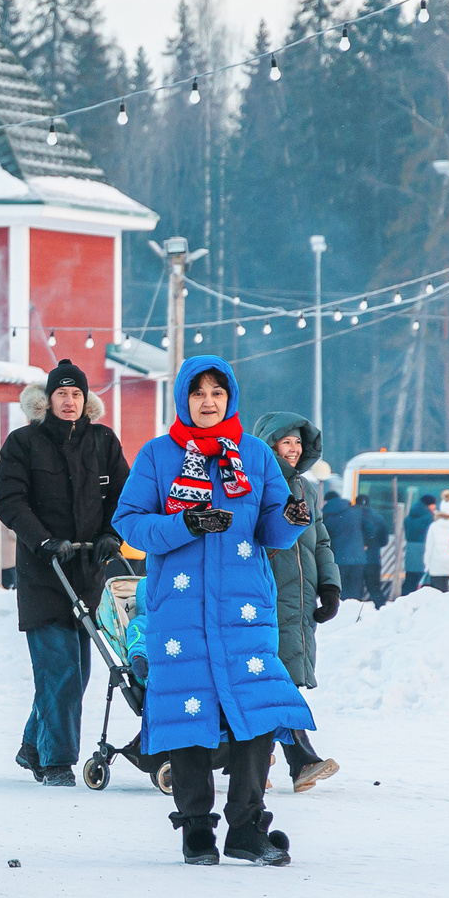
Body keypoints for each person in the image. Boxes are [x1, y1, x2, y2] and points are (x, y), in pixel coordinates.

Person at [111, 356, 313, 867]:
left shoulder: (257, 457)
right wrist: (187, 525)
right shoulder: (158, 456)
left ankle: (247, 826)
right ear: (183, 398)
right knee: (188, 714)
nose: (207, 400)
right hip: (179, 611)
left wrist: (290, 520)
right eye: (198, 392)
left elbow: (271, 529)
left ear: (230, 398)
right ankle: (196, 827)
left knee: (258, 713)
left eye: (216, 392)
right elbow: (129, 524)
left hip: (245, 609)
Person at [0, 359, 130, 787]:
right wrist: (42, 540)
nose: (69, 401)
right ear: (47, 400)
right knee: (61, 672)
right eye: (61, 394)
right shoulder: (24, 443)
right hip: (43, 573)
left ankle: (33, 746)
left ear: (86, 401)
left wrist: (111, 535)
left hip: (86, 574)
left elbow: (123, 498)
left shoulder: (104, 441)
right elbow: (10, 501)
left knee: (78, 673)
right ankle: (55, 762)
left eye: (76, 395)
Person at [253, 410, 343, 793]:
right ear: (269, 444)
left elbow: (319, 540)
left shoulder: (308, 489)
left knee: (284, 679)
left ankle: (258, 758)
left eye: (297, 443)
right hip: (266, 597)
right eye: (285, 441)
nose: (293, 449)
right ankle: (300, 760)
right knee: (277, 680)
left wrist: (330, 587)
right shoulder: (256, 484)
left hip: (300, 600)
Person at [326, 481, 368, 604]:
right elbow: (369, 528)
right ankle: (355, 614)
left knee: (341, 589)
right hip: (358, 557)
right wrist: (364, 543)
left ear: (327, 501)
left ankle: (342, 612)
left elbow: (325, 538)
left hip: (339, 558)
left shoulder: (328, 517)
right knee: (355, 589)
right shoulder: (357, 512)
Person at [422, 493, 449, 591]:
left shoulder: (434, 526)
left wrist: (427, 564)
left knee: (438, 595)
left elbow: (429, 547)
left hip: (437, 566)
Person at [358, 494, 392, 603]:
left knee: (354, 591)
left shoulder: (353, 517)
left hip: (356, 560)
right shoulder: (378, 518)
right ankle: (381, 609)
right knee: (375, 589)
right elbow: (384, 541)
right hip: (373, 559)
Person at [400, 494, 431, 599]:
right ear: (429, 505)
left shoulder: (409, 517)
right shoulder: (429, 517)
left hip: (411, 551)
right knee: (422, 579)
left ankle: (404, 599)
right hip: (423, 550)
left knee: (410, 579)